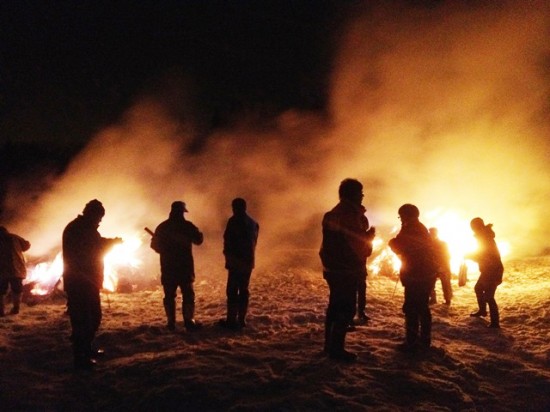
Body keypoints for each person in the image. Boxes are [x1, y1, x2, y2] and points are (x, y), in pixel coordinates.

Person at [319, 178, 375, 361]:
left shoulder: (332, 213)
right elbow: (358, 245)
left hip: (332, 267)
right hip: (346, 269)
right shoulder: (349, 216)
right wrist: (369, 237)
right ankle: (337, 349)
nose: (362, 196)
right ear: (353, 194)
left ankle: (329, 345)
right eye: (360, 193)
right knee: (346, 308)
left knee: (334, 306)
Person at [62, 199, 122, 370]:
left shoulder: (84, 228)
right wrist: (111, 244)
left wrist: (112, 241)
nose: (100, 221)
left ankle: (86, 350)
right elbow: (94, 250)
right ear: (91, 214)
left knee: (93, 317)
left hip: (88, 281)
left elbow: (97, 244)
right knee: (83, 320)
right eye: (99, 217)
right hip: (80, 282)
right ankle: (80, 358)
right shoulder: (79, 229)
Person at [389, 204, 437, 352]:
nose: (401, 219)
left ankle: (412, 342)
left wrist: (392, 242)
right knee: (421, 307)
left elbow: (400, 246)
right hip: (424, 274)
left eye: (401, 216)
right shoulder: (420, 228)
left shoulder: (411, 228)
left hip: (416, 275)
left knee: (412, 308)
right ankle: (424, 339)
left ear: (406, 215)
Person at [151, 201, 204, 332]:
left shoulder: (162, 227)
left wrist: (164, 249)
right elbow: (199, 240)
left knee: (170, 295)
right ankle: (188, 321)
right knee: (188, 294)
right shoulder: (187, 226)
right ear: (181, 212)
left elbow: (154, 245)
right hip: (184, 267)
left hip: (168, 267)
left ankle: (171, 322)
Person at [219, 198, 259, 330]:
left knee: (232, 291)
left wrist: (229, 256)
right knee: (243, 290)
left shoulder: (234, 221)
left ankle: (231, 320)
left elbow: (229, 241)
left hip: (236, 262)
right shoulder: (253, 223)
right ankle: (242, 319)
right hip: (248, 262)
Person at [466, 217, 504, 328]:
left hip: (493, 270)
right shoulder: (483, 236)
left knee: (489, 296)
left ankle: (495, 323)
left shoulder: (485, 237)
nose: (472, 230)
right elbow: (481, 253)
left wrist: (471, 256)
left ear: (477, 226)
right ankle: (482, 311)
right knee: (478, 288)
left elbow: (486, 256)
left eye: (473, 227)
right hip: (488, 270)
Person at [0, 226, 31, 316]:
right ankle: (16, 308)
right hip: (16, 268)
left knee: (1, 290)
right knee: (17, 290)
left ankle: (1, 311)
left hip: (2, 269)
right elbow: (27, 245)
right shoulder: (14, 237)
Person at [428, 227, 453, 305]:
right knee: (430, 284)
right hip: (432, 266)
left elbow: (447, 255)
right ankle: (433, 299)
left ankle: (447, 300)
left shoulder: (442, 244)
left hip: (443, 266)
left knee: (445, 284)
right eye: (430, 233)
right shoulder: (428, 244)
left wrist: (443, 265)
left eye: (433, 233)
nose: (431, 234)